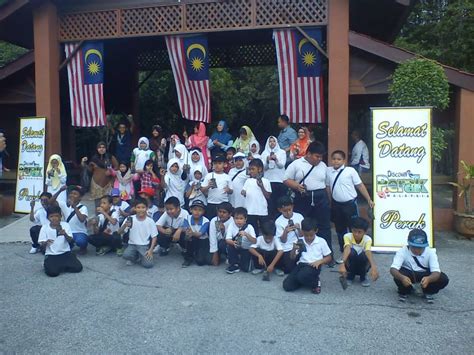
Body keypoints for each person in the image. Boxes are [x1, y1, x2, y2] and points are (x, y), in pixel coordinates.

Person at [283, 141, 333, 258]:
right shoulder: (297, 164)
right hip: (303, 196)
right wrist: (297, 186)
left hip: (320, 196)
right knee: (302, 224)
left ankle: (327, 255)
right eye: (317, 156)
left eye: (321, 156)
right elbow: (286, 179)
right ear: (309, 153)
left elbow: (326, 185)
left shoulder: (323, 166)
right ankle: (301, 253)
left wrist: (329, 200)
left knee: (324, 226)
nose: (319, 159)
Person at [326, 150, 374, 257]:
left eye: (339, 159)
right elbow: (328, 187)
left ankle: (357, 251)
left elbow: (360, 186)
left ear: (344, 160)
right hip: (337, 205)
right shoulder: (328, 171)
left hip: (350, 205)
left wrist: (368, 199)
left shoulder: (350, 171)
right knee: (340, 230)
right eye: (334, 159)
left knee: (355, 227)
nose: (336, 161)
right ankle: (344, 253)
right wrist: (330, 202)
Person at [390, 229, 449, 303]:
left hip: (424, 273)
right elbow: (393, 269)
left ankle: (428, 291)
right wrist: (402, 278)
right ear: (409, 244)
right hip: (408, 273)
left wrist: (429, 279)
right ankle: (405, 290)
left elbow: (436, 272)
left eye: (420, 247)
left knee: (443, 279)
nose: (417, 250)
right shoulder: (402, 251)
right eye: (414, 247)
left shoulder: (431, 252)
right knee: (398, 275)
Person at [282, 218, 332, 294]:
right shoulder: (299, 241)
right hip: (301, 265)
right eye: (306, 235)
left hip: (314, 265)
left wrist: (320, 261)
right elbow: (292, 257)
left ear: (316, 231)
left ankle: (316, 282)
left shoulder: (321, 241)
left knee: (302, 275)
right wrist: (293, 249)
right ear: (302, 232)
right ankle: (303, 281)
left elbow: (329, 257)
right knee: (287, 286)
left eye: (311, 235)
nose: (308, 237)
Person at [38, 205, 83, 277]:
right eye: (51, 216)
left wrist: (65, 234)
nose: (54, 218)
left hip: (65, 253)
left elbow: (70, 241)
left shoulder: (65, 225)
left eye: (56, 216)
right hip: (52, 254)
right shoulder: (44, 228)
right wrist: (45, 243)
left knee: (78, 268)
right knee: (52, 273)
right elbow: (41, 245)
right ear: (48, 218)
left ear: (60, 217)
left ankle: (61, 265)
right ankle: (47, 263)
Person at [338, 217, 379, 288]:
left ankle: (363, 277)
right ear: (351, 230)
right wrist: (342, 264)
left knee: (363, 255)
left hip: (362, 264)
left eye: (359, 232)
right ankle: (350, 276)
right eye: (354, 231)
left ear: (365, 232)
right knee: (352, 252)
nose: (356, 234)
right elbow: (347, 248)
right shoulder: (347, 236)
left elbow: (368, 251)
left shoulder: (368, 239)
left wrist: (373, 266)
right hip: (350, 264)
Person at [119, 198, 158, 268]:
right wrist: (125, 225)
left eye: (143, 207)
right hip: (132, 245)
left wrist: (150, 250)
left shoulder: (150, 221)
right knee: (125, 255)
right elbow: (119, 232)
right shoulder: (130, 218)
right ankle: (135, 257)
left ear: (146, 208)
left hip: (144, 245)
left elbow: (154, 237)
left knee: (148, 265)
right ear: (135, 208)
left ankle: (141, 256)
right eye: (138, 207)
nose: (140, 210)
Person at [52, 185, 89, 255]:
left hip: (79, 232)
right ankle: (69, 245)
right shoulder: (64, 205)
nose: (72, 195)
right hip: (68, 231)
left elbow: (81, 219)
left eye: (75, 194)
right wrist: (60, 190)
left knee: (81, 241)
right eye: (71, 193)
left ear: (80, 198)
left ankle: (83, 247)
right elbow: (51, 202)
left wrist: (74, 206)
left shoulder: (83, 208)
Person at [241, 158, 271, 235]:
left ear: (260, 169)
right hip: (250, 210)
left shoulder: (266, 181)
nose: (251, 171)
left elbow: (268, 196)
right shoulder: (248, 181)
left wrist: (262, 187)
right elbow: (244, 192)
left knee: (265, 230)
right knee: (253, 232)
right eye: (250, 169)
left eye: (253, 169)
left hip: (262, 211)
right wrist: (243, 192)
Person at [275, 196, 304, 274]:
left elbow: (303, 235)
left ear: (292, 207)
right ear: (280, 210)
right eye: (285, 211)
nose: (288, 212)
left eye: (289, 210)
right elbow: (283, 241)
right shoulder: (278, 221)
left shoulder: (299, 216)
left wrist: (298, 229)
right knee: (289, 269)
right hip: (288, 247)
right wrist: (285, 232)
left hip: (300, 244)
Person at [261, 136, 287, 217]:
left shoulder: (282, 152)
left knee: (280, 202)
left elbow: (281, 165)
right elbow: (263, 168)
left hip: (280, 181)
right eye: (270, 141)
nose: (272, 143)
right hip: (269, 181)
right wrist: (267, 161)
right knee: (270, 202)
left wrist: (276, 160)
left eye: (273, 141)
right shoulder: (264, 153)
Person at [225, 207, 256, 274]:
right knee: (229, 246)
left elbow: (254, 241)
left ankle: (246, 260)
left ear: (245, 219)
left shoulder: (249, 227)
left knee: (246, 269)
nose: (238, 221)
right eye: (236, 218)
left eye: (241, 218)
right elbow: (227, 239)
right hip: (237, 246)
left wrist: (246, 234)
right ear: (233, 219)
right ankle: (234, 264)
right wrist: (233, 243)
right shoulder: (231, 225)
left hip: (247, 248)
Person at [201, 155, 233, 220]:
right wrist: (208, 186)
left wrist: (228, 190)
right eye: (215, 163)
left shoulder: (227, 177)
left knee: (222, 221)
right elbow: (202, 189)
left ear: (224, 165)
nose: (217, 165)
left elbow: (231, 191)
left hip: (223, 203)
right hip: (211, 203)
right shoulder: (209, 175)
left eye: (219, 163)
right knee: (211, 222)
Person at [181, 200, 210, 267]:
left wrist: (191, 232)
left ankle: (196, 254)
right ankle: (188, 258)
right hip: (191, 238)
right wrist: (189, 232)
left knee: (200, 262)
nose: (197, 212)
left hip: (202, 241)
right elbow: (185, 229)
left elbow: (200, 234)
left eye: (200, 210)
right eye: (195, 209)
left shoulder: (206, 221)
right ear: (191, 210)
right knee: (186, 237)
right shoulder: (187, 217)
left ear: (203, 212)